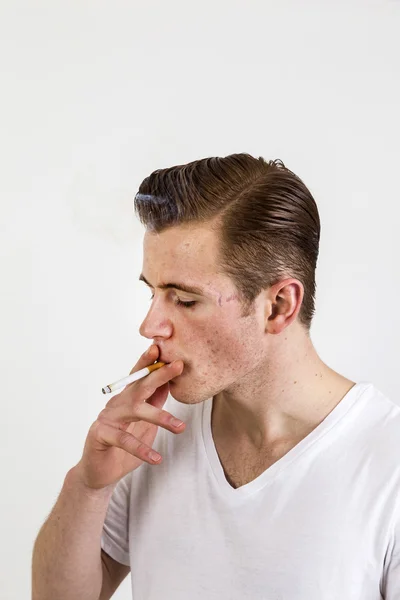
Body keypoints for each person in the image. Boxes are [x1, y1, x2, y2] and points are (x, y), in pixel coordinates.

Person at [32, 153, 400, 599]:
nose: (150, 327)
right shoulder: (150, 437)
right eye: (152, 292)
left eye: (184, 300)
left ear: (279, 306)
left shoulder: (386, 466)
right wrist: (89, 486)